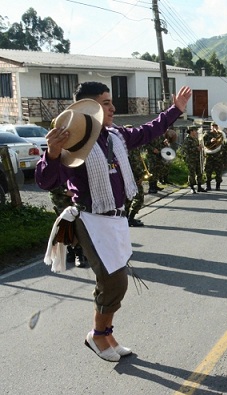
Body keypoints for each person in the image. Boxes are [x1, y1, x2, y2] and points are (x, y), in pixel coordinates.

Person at [36, 81, 191, 361]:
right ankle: (97, 335)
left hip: (115, 220)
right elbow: (46, 181)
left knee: (111, 283)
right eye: (105, 103)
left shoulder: (114, 135)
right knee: (115, 282)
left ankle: (106, 333)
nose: (112, 107)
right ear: (91, 108)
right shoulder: (73, 141)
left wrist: (175, 110)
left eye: (110, 102)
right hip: (91, 221)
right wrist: (53, 153)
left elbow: (147, 131)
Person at [49, 185, 88, 267]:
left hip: (77, 198)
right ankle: (73, 251)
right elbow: (48, 182)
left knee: (79, 225)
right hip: (61, 200)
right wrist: (65, 191)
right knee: (66, 226)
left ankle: (79, 253)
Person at [182, 126, 207, 194]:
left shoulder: (195, 139)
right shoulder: (187, 139)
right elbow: (186, 150)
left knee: (199, 172)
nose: (196, 132)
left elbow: (198, 147)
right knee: (192, 173)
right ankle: (192, 187)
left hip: (197, 158)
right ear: (191, 131)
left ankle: (199, 186)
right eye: (195, 130)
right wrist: (196, 148)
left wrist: (200, 147)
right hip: (191, 159)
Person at [125, 146, 145, 227]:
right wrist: (140, 175)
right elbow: (135, 163)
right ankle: (130, 218)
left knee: (127, 198)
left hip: (126, 175)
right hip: (133, 176)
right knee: (139, 198)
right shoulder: (133, 148)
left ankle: (126, 218)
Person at [203, 122, 225, 191]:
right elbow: (205, 145)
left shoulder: (220, 134)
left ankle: (218, 186)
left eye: (216, 126)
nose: (215, 127)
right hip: (209, 156)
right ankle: (208, 185)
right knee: (208, 171)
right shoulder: (207, 134)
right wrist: (210, 141)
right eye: (213, 126)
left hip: (218, 156)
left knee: (219, 171)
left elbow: (223, 144)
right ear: (211, 127)